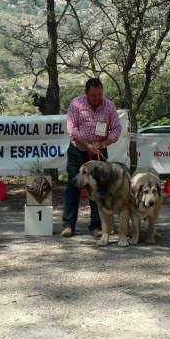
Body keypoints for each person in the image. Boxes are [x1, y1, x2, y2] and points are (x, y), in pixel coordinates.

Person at [61, 78, 122, 238]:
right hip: (78, 150)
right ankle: (68, 225)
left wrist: (104, 143)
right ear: (86, 92)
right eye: (93, 95)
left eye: (99, 95)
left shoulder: (109, 105)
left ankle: (97, 226)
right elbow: (72, 128)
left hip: (99, 152)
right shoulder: (76, 104)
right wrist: (87, 145)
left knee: (99, 188)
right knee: (74, 185)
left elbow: (116, 128)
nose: (97, 98)